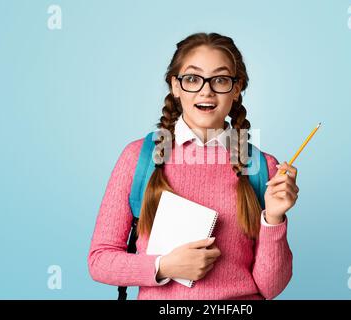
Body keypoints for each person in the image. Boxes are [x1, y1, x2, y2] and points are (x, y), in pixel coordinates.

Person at [88, 32, 299, 300]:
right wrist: (163, 266)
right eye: (192, 79)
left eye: (220, 79)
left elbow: (271, 287)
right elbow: (99, 260)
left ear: (236, 88)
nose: (206, 90)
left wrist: (274, 219)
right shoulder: (138, 158)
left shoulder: (261, 167)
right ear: (175, 86)